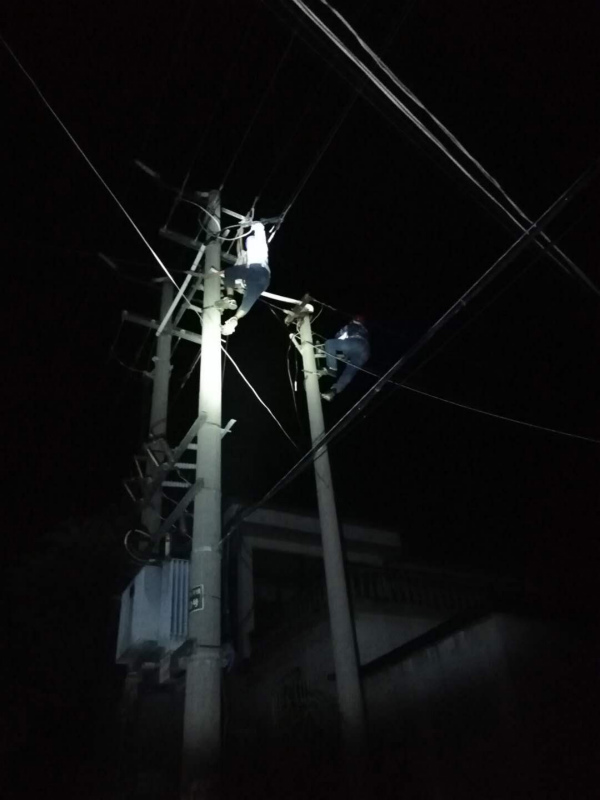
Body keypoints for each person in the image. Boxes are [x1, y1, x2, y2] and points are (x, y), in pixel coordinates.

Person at [218, 221, 271, 335]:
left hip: (253, 270)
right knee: (247, 295)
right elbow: (247, 302)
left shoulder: (252, 252)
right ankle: (231, 301)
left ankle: (230, 297)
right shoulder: (257, 251)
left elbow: (240, 248)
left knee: (229, 273)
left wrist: (243, 228)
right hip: (258, 272)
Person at [320, 315, 370, 401]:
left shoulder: (350, 326)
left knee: (330, 343)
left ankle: (332, 369)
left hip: (355, 343)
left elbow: (339, 337)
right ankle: (334, 391)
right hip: (365, 352)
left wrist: (334, 347)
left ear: (353, 320)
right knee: (349, 372)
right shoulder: (365, 330)